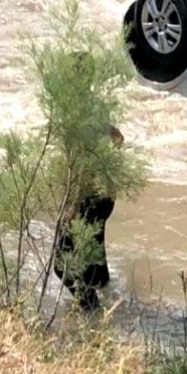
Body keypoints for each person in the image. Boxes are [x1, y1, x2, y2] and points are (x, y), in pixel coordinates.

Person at [53, 125, 123, 311]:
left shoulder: (77, 114)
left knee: (62, 265)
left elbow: (83, 162)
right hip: (106, 194)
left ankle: (92, 311)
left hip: (88, 197)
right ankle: (108, 293)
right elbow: (118, 137)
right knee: (95, 257)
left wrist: (73, 206)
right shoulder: (93, 107)